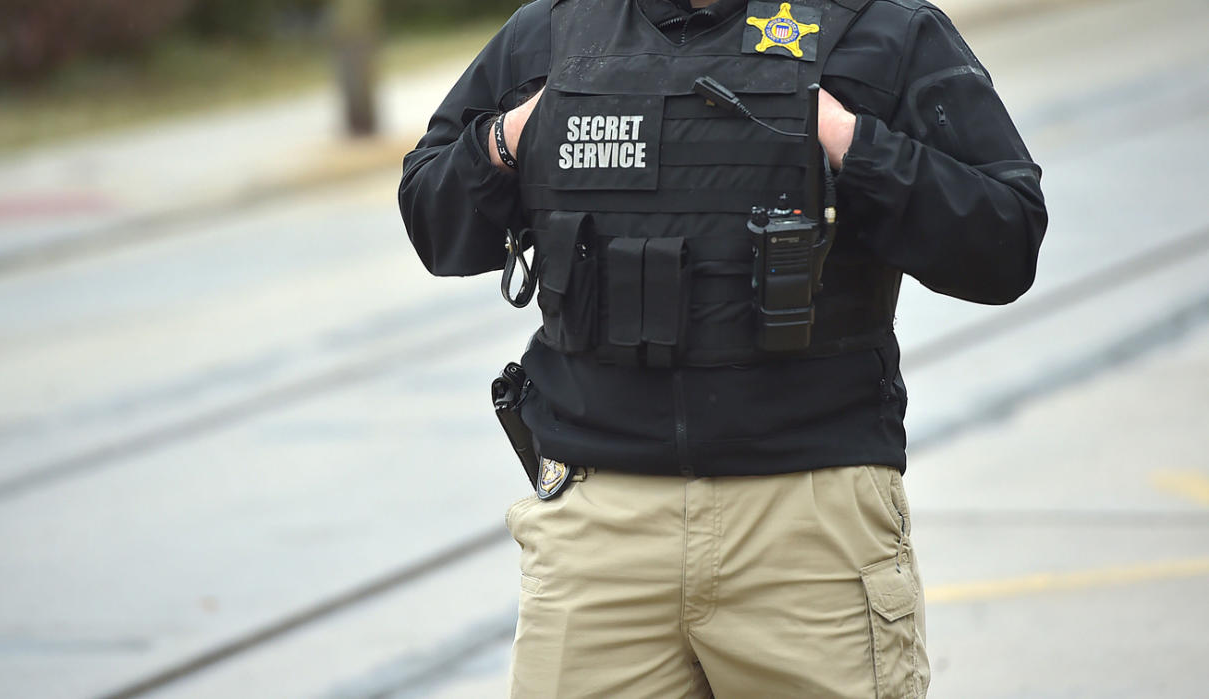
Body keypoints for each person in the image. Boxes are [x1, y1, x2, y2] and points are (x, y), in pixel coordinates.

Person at [399, 0, 1046, 694]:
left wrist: (848, 141)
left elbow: (1004, 241)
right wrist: (509, 137)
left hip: (807, 524)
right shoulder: (553, 37)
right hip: (598, 534)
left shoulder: (881, 30)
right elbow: (434, 220)